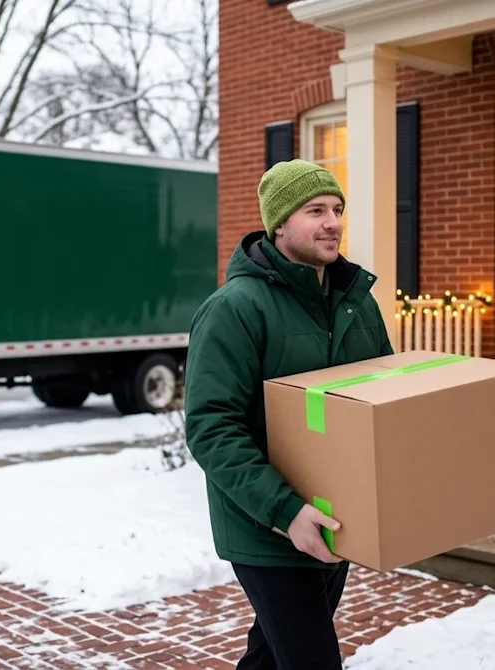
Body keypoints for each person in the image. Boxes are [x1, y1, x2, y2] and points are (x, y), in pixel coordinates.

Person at [183, 159, 394, 669]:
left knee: (272, 658)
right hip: (266, 527)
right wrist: (285, 512)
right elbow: (212, 426)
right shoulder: (235, 308)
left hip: (336, 518)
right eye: (315, 210)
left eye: (337, 209)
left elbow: (383, 400)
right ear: (280, 224)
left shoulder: (355, 302)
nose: (333, 222)